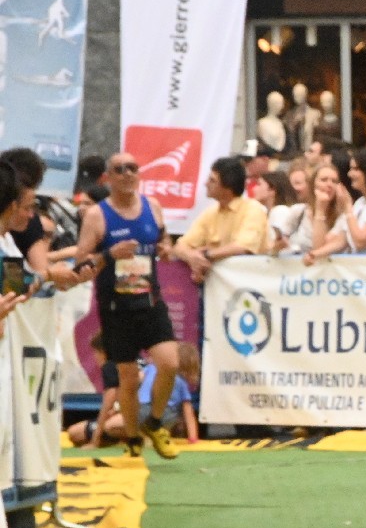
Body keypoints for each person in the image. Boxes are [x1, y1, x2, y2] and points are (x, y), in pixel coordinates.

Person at [72, 151, 181, 458]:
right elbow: (80, 264)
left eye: (133, 168)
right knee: (128, 378)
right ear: (108, 178)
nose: (128, 174)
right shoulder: (98, 215)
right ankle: (133, 439)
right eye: (120, 169)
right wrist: (110, 254)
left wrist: (166, 247)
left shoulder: (152, 206)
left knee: (170, 363)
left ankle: (155, 423)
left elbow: (163, 238)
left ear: (140, 173)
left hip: (150, 300)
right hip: (116, 308)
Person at [170, 156, 270, 283]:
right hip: (218, 287)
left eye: (212, 180)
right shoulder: (210, 213)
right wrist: (192, 257)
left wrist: (206, 254)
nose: (206, 184)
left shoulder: (252, 209)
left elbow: (243, 247)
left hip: (251, 283)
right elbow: (180, 246)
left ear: (228, 186)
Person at [307, 146, 366, 260]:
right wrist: (315, 254)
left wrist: (348, 208)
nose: (349, 174)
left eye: (355, 169)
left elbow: (361, 241)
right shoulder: (360, 203)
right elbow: (342, 240)